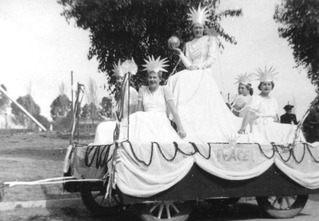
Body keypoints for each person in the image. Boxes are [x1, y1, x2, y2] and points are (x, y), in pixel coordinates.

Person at [167, 5, 241, 142]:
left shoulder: (210, 39)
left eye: (200, 27)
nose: (198, 30)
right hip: (192, 70)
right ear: (192, 29)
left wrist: (200, 66)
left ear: (203, 27)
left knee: (188, 79)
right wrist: (181, 54)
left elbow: (212, 58)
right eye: (195, 28)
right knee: (175, 78)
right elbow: (189, 64)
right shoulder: (188, 44)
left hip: (204, 70)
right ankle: (180, 120)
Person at [93, 56, 186, 144]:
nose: (152, 80)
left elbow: (174, 111)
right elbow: (139, 111)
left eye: (155, 77)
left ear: (160, 79)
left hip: (159, 120)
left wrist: (180, 128)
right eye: (150, 77)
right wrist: (140, 99)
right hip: (145, 120)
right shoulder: (143, 89)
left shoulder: (164, 89)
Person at [238, 67, 303, 145]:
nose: (267, 86)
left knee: (293, 129)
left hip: (272, 125)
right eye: (264, 84)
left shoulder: (273, 100)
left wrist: (278, 126)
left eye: (269, 84)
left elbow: (276, 118)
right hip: (261, 126)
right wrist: (243, 128)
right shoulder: (256, 98)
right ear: (260, 86)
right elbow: (249, 113)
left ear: (272, 87)